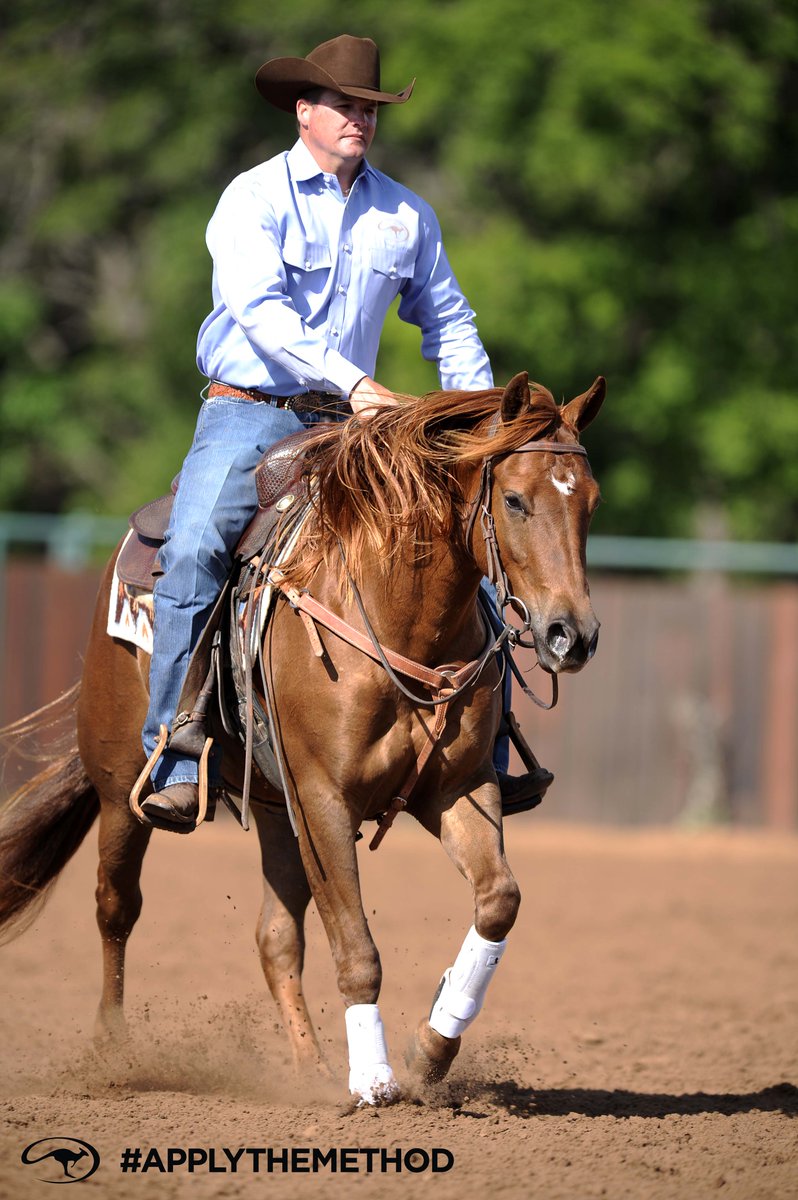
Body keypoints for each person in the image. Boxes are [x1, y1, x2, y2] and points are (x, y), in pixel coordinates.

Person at [139, 34, 551, 828]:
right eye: (344, 105)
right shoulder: (251, 198)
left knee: (472, 533)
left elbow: (451, 321)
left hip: (353, 425)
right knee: (194, 544)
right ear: (305, 111)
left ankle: (492, 738)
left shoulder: (406, 213)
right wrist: (355, 381)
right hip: (248, 409)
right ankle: (174, 745)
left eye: (369, 107)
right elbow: (258, 312)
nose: (359, 117)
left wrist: (484, 421)